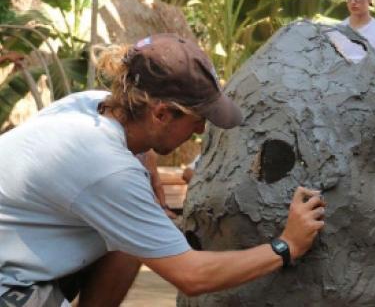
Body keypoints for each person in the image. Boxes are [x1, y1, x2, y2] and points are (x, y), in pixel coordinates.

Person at [0, 34, 326, 307]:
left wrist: (147, 162)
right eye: (196, 120)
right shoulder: (109, 170)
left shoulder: (94, 105)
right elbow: (191, 275)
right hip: (11, 284)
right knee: (145, 237)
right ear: (160, 114)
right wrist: (286, 246)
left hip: (22, 251)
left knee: (139, 238)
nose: (200, 130)